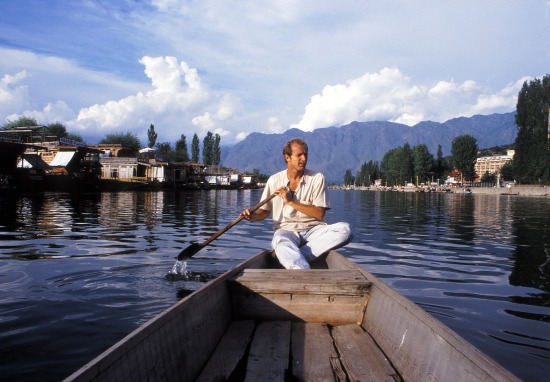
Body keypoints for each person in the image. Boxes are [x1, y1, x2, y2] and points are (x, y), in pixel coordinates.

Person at [241, 138, 353, 269]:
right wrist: (251, 216)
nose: (304, 159)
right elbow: (264, 212)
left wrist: (291, 202)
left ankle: (297, 256)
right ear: (287, 157)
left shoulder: (317, 178)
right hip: (287, 230)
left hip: (314, 231)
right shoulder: (274, 180)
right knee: (279, 240)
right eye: (299, 155)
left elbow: (319, 213)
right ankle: (301, 268)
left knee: (345, 230)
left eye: (306, 154)